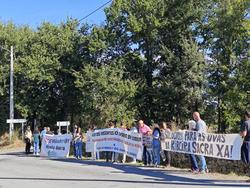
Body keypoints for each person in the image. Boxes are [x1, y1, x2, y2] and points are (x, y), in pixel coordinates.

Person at [240, 110, 250, 182]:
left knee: (247, 160)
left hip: (247, 143)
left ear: (245, 115)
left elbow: (244, 134)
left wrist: (240, 134)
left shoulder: (246, 123)